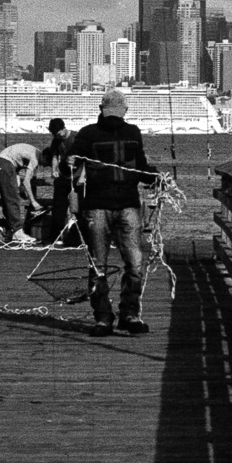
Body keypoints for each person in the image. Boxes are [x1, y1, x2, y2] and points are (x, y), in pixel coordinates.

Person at [69, 90, 157, 331]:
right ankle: (103, 317)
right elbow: (71, 161)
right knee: (98, 265)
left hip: (128, 204)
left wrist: (154, 177)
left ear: (125, 112)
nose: (114, 118)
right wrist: (70, 161)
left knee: (135, 263)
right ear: (101, 109)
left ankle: (130, 314)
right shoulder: (87, 134)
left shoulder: (133, 132)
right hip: (96, 207)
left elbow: (140, 166)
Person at [0, 140, 44, 245]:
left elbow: (17, 166)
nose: (44, 165)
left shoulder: (34, 152)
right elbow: (26, 181)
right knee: (11, 199)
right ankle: (17, 232)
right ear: (45, 157)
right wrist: (33, 202)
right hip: (4, 164)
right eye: (46, 163)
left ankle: (9, 231)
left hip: (5, 163)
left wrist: (19, 188)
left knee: (10, 198)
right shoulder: (35, 157)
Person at [42, 117, 78, 246]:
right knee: (58, 208)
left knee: (77, 208)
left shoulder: (76, 138)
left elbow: (86, 157)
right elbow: (54, 156)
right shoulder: (56, 141)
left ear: (64, 129)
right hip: (63, 177)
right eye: (54, 135)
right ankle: (55, 238)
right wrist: (54, 169)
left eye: (58, 134)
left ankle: (76, 238)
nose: (57, 137)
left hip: (77, 177)